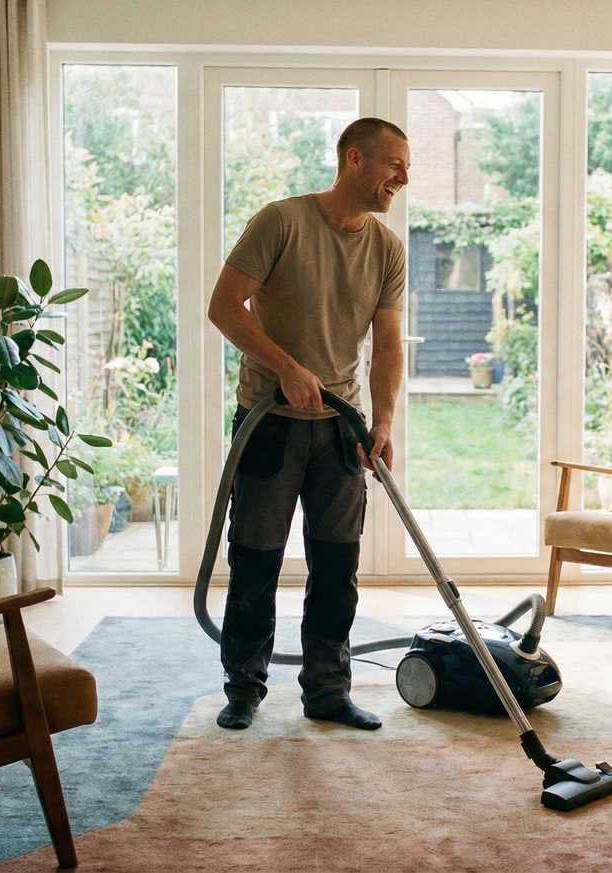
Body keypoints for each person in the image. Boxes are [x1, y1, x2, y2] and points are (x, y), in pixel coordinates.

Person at [206, 117, 410, 732]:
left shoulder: (386, 249)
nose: (402, 178)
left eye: (407, 169)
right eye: (393, 164)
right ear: (355, 160)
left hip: (340, 431)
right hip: (269, 424)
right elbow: (223, 306)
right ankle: (244, 688)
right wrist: (287, 367)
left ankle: (326, 692)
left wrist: (382, 422)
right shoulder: (282, 222)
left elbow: (389, 345)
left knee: (335, 569)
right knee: (255, 561)